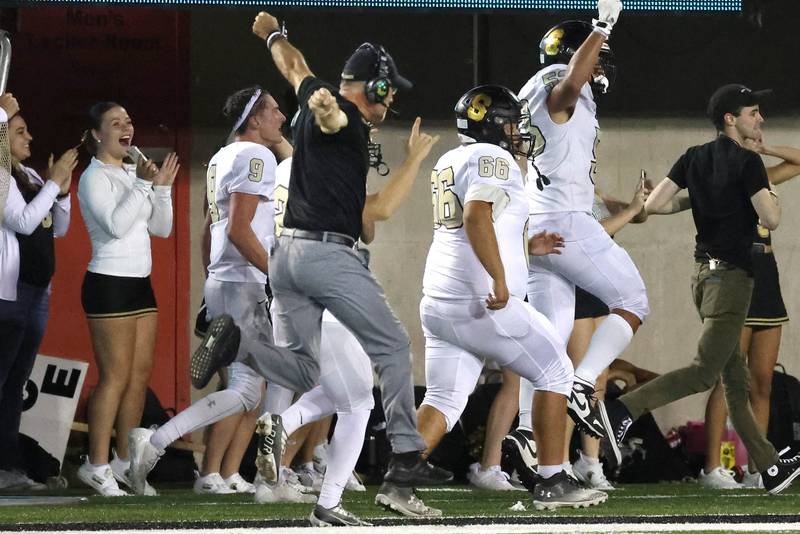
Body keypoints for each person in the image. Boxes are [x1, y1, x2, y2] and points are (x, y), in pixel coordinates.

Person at [190, 11, 452, 517]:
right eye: (388, 89)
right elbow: (336, 121)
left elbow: (294, 66)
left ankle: (237, 343)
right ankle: (405, 456)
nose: (392, 99)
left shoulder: (310, 103)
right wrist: (332, 110)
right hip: (328, 253)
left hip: (284, 258)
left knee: (304, 368)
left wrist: (273, 35)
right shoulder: (345, 120)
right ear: (372, 86)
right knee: (393, 346)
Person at [416, 84, 606, 510]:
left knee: (443, 399)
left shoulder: (451, 158)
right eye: (509, 121)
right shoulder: (495, 157)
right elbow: (476, 215)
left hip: (441, 299)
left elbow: (482, 222)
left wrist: (525, 247)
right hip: (482, 300)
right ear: (491, 125)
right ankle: (552, 480)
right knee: (556, 371)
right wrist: (500, 278)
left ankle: (397, 479)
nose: (516, 129)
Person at [603, 83, 800, 495]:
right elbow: (773, 218)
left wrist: (647, 201)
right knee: (704, 372)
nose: (759, 119)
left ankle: (769, 468)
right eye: (753, 112)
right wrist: (771, 203)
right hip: (731, 278)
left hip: (703, 276)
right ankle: (623, 408)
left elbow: (655, 205)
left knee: (734, 382)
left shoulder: (694, 156)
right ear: (731, 118)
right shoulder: (746, 163)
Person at [257, 111, 440, 525]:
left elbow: (361, 226)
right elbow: (377, 214)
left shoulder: (289, 166)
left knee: (337, 390)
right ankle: (327, 500)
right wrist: (412, 159)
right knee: (358, 402)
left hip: (287, 283)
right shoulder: (331, 162)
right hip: (327, 283)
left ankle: (283, 425)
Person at [126, 86, 284, 496]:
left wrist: (210, 280)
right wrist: (276, 276)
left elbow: (207, 227)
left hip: (223, 280)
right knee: (248, 390)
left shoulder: (220, 157)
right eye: (274, 112)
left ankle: (215, 469)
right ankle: (157, 441)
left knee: (249, 391)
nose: (281, 118)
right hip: (243, 282)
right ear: (254, 120)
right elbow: (237, 228)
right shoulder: (256, 155)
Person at [512, 2, 649, 471]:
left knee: (551, 344)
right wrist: (602, 27)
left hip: (540, 222)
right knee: (633, 299)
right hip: (566, 220)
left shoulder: (531, 91)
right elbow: (569, 85)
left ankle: (532, 439)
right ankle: (582, 383)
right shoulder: (557, 84)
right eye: (597, 55)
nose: (602, 66)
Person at [77, 102, 179, 496]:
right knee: (115, 377)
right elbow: (118, 227)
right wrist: (142, 185)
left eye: (129, 121)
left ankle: (123, 462)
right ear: (98, 135)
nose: (126, 128)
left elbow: (162, 228)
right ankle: (95, 464)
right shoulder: (94, 178)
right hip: (108, 282)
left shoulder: (133, 174)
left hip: (140, 283)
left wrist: (163, 189)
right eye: (115, 123)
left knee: (138, 377)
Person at [701, 137, 800, 490]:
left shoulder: (764, 175)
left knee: (763, 381)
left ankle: (760, 468)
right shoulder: (720, 178)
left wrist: (768, 149)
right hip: (735, 274)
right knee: (729, 381)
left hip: (766, 275)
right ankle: (712, 468)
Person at [0, 106, 77, 491]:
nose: (29, 137)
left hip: (36, 293)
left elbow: (57, 228)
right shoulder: (0, 175)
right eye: (19, 130)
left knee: (15, 384)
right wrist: (53, 183)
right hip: (9, 292)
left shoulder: (29, 175)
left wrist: (60, 191)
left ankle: (8, 467)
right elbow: (22, 221)